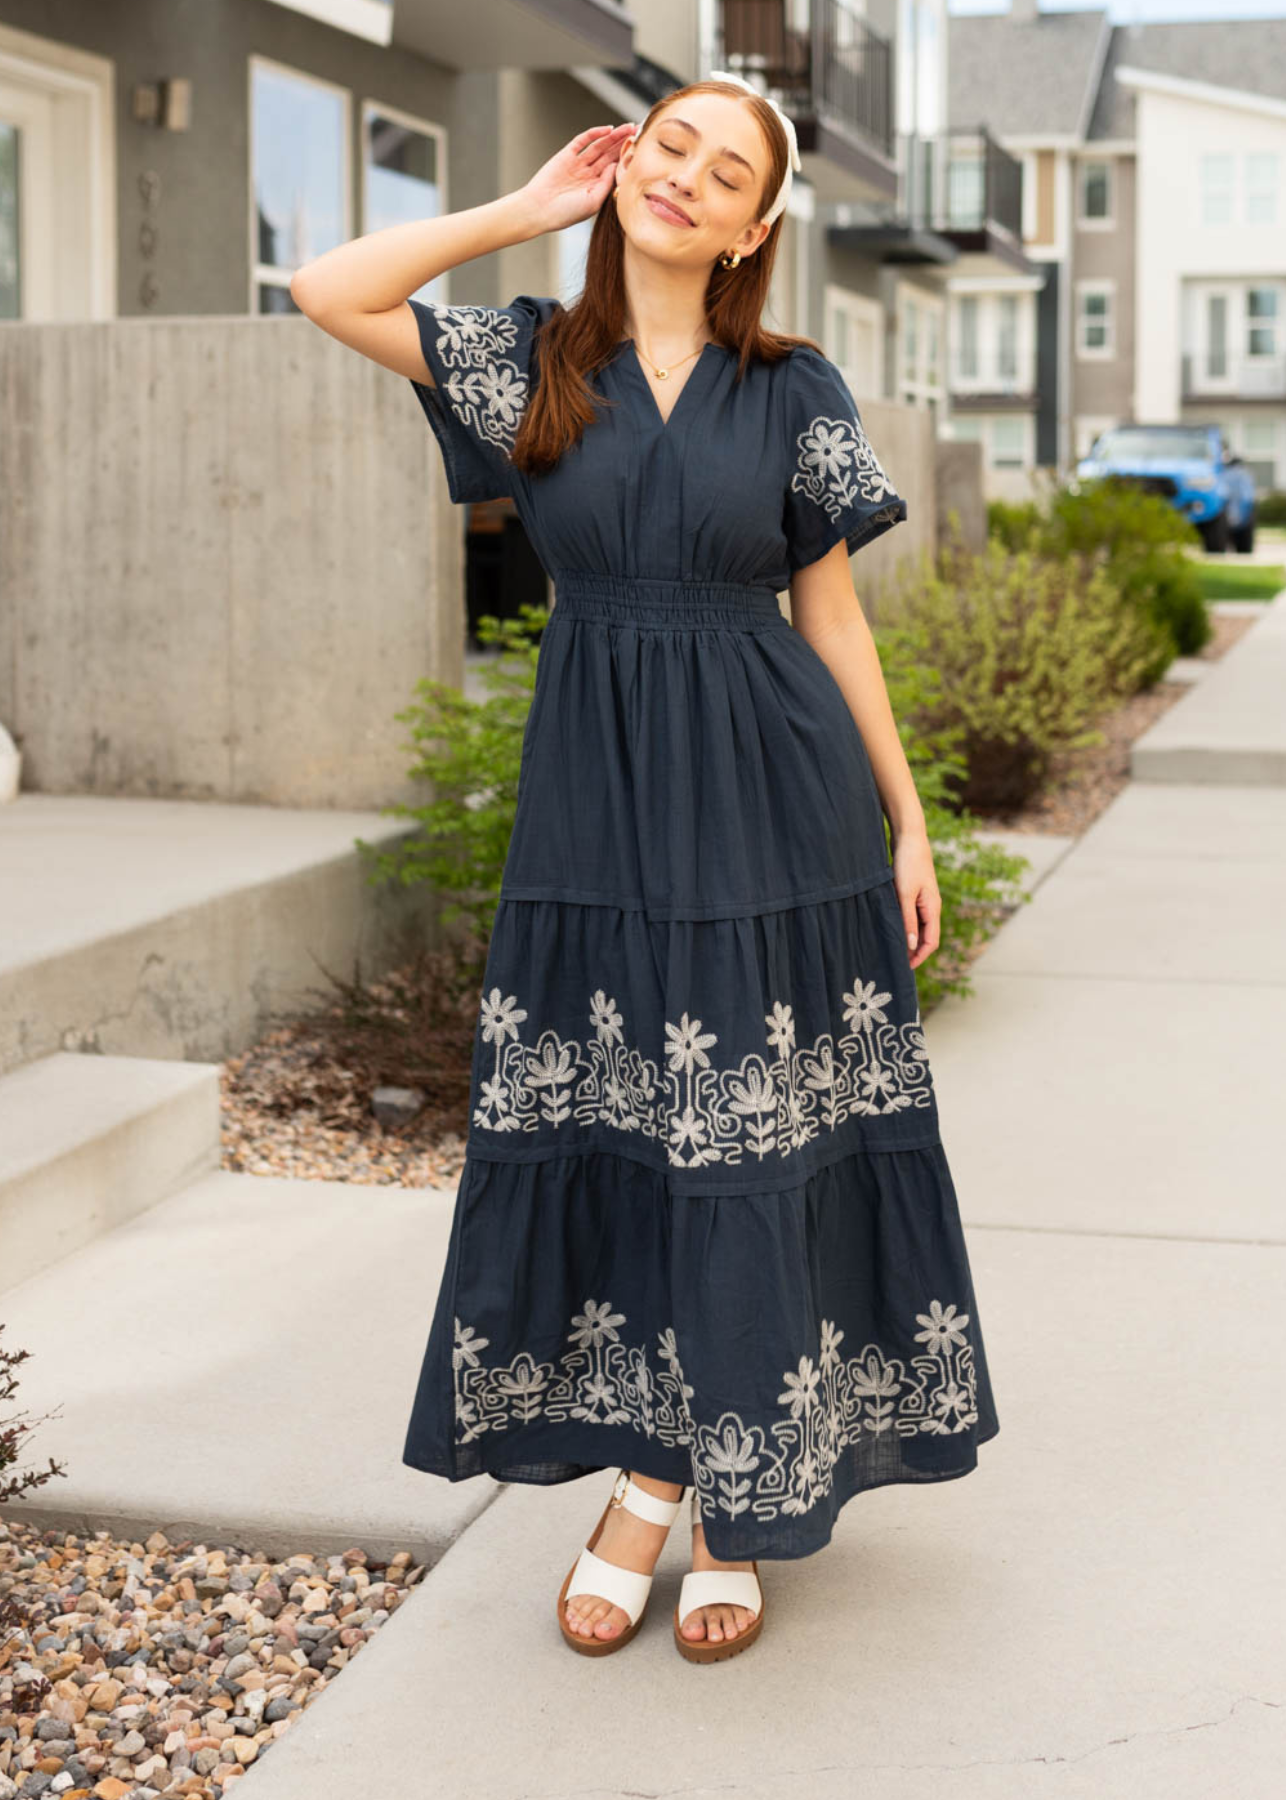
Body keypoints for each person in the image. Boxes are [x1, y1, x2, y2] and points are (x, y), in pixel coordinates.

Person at [291, 73, 999, 1665]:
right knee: (627, 1141)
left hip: (775, 804)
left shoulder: (790, 384)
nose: (683, 174)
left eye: (723, 168)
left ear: (754, 227)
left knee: (748, 1145)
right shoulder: (531, 354)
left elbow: (831, 618)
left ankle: (687, 1492)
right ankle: (682, 1472)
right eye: (667, 140)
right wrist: (528, 208)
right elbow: (327, 289)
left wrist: (902, 819)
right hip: (598, 806)